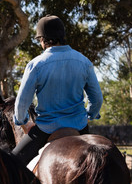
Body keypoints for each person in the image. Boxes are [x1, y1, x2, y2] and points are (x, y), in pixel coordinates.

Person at [13, 15, 103, 165]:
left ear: (43, 39)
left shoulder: (36, 65)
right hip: (79, 127)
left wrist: (24, 123)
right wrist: (89, 116)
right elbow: (97, 99)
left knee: (11, 164)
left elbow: (21, 103)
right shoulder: (84, 61)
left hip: (46, 129)